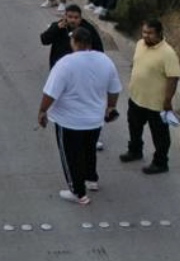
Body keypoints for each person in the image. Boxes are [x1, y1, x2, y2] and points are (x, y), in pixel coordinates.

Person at [37, 28, 122, 205]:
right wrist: (110, 106)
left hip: (69, 121)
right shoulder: (105, 61)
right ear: (90, 43)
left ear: (74, 42)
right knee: (89, 150)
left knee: (70, 155)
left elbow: (50, 93)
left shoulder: (65, 63)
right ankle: (91, 179)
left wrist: (42, 110)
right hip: (95, 119)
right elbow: (114, 89)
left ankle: (77, 192)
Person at [120, 19, 180, 174]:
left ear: (159, 33)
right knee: (134, 127)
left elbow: (173, 78)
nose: (146, 36)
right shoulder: (140, 44)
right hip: (136, 98)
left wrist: (167, 101)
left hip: (156, 103)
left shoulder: (168, 53)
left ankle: (160, 162)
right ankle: (135, 150)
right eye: (144, 32)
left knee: (160, 135)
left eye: (150, 33)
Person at [39, 4, 104, 69]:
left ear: (80, 18)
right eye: (70, 17)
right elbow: (44, 40)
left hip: (81, 66)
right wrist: (56, 28)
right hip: (61, 66)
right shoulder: (58, 26)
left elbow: (98, 49)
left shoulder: (88, 29)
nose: (73, 20)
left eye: (76, 17)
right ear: (65, 17)